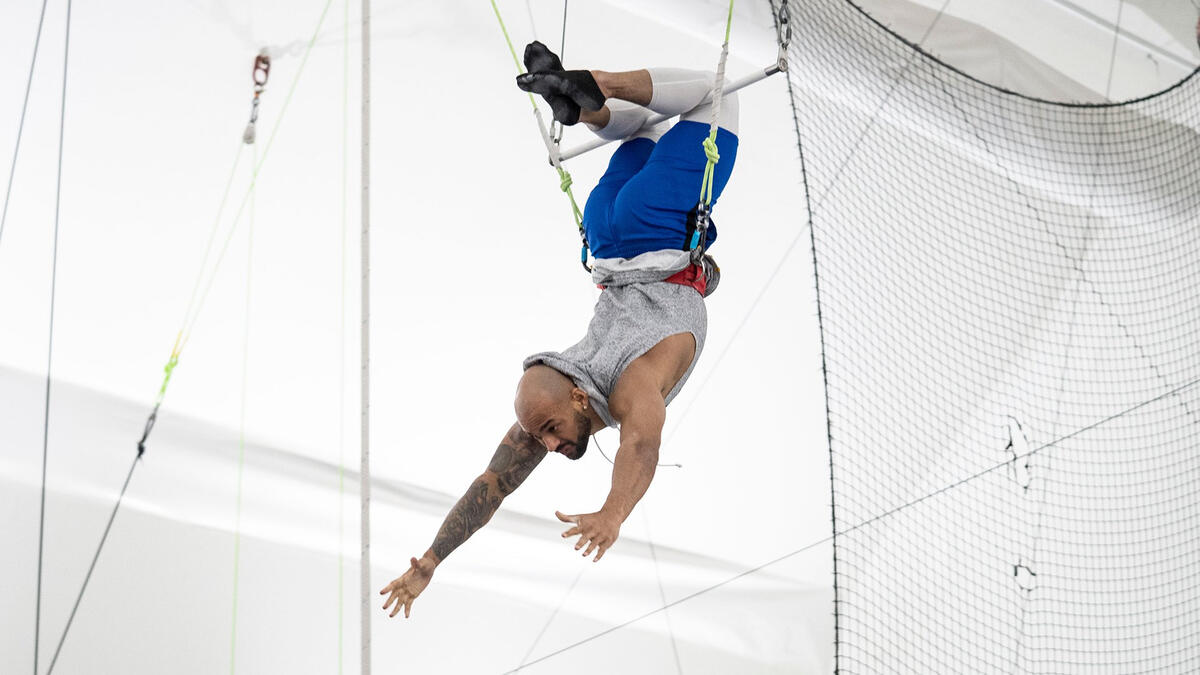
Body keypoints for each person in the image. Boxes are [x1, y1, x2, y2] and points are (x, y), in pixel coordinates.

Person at [380, 42, 739, 619]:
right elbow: (491, 487)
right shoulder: (559, 405)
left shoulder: (628, 390)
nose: (547, 445)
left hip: (654, 228)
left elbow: (642, 443)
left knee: (715, 91)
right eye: (542, 437)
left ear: (577, 394)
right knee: (643, 125)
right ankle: (587, 106)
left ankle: (596, 81)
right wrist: (428, 563)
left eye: (546, 430)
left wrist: (613, 512)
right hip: (603, 238)